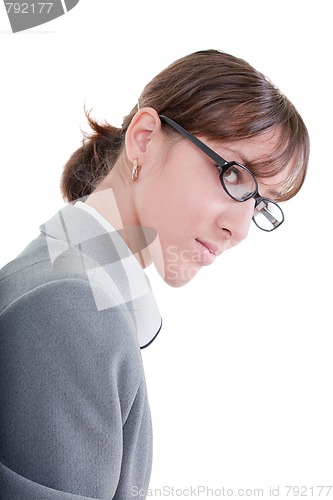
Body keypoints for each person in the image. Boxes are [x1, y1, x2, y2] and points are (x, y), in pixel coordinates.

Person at [0, 49, 309, 499]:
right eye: (235, 176)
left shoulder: (68, 279)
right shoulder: (72, 304)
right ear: (144, 138)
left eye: (260, 204)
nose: (239, 228)